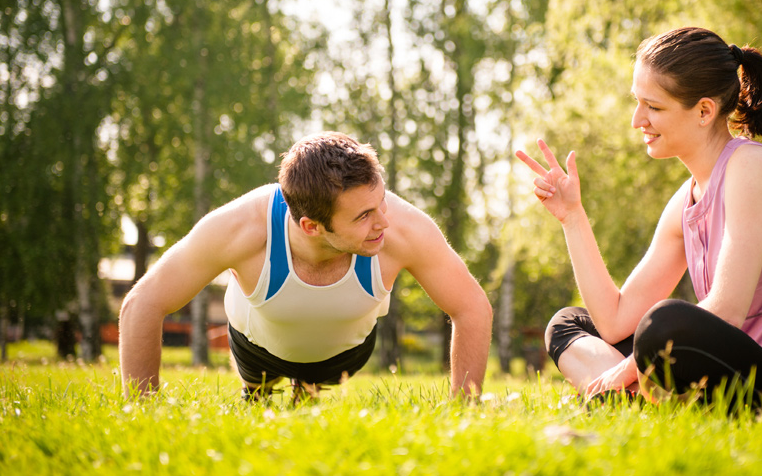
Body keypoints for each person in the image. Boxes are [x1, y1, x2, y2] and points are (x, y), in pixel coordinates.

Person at [517, 26, 762, 417]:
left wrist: (627, 367)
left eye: (654, 107)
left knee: (665, 325)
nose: (636, 120)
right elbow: (613, 322)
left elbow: (727, 310)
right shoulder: (687, 200)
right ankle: (635, 403)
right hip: (728, 379)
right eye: (637, 102)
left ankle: (624, 397)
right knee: (569, 324)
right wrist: (572, 216)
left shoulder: (751, 167)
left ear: (704, 111)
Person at [120, 131, 492, 401]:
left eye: (381, 202)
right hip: (256, 348)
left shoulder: (404, 228)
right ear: (311, 226)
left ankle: (309, 387)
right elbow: (143, 303)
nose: (383, 222)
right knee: (258, 394)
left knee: (314, 387)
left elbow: (472, 306)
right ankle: (257, 390)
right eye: (364, 216)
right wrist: (144, 409)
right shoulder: (242, 228)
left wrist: (465, 408)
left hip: (345, 354)